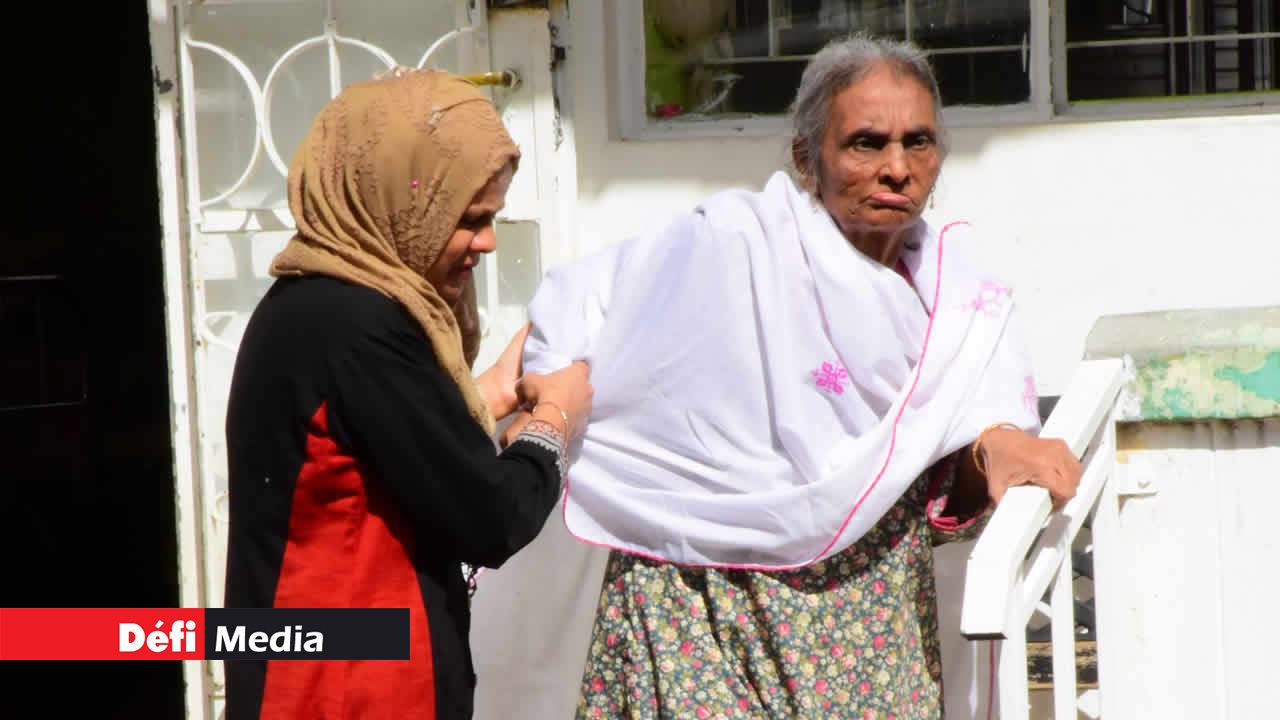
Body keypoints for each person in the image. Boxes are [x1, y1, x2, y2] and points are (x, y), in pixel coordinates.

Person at [513, 35, 1080, 719]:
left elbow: (959, 459)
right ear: (806, 159)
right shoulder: (734, 243)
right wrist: (507, 398)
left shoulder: (961, 304)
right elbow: (587, 303)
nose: (897, 168)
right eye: (866, 143)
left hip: (863, 623)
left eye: (919, 142)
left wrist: (995, 443)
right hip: (696, 602)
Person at [222, 68, 592, 720]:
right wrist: (555, 419)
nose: (488, 242)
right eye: (469, 220)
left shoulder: (309, 302)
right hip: (350, 692)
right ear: (399, 200)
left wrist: (485, 395)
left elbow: (375, 444)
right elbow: (491, 517)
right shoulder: (360, 326)